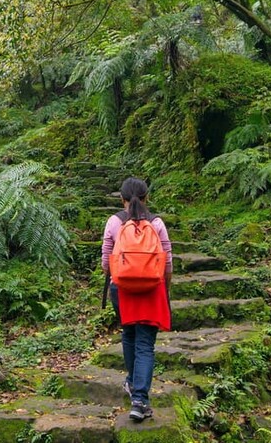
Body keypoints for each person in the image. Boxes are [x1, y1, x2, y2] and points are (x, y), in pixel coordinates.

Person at [101, 177, 172, 422]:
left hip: (122, 289)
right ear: (146, 198)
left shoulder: (114, 222)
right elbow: (167, 261)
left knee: (129, 334)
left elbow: (105, 262)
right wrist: (166, 287)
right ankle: (140, 399)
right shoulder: (157, 223)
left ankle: (133, 385)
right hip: (151, 289)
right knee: (145, 344)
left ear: (122, 199)